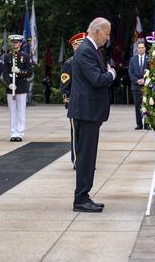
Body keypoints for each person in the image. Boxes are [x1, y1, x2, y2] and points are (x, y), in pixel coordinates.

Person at [68, 17, 116, 212]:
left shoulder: (91, 49)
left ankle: (84, 194)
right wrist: (111, 74)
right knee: (86, 157)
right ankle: (80, 198)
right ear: (96, 31)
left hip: (90, 112)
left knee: (89, 156)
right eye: (107, 33)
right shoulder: (86, 50)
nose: (108, 37)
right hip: (86, 112)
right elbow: (97, 79)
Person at [61, 32, 85, 168]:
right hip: (75, 104)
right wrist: (68, 102)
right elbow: (65, 86)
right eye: (80, 45)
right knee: (76, 134)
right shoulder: (69, 63)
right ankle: (77, 160)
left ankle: (86, 160)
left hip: (87, 103)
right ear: (75, 46)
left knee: (86, 135)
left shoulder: (87, 61)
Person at [3, 34, 33, 142]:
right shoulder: (7, 56)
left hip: (21, 86)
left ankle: (19, 133)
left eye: (16, 42)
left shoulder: (25, 56)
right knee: (12, 111)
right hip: (11, 86)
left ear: (20, 43)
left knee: (21, 111)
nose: (14, 44)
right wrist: (9, 83)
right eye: (13, 42)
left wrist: (19, 72)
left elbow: (29, 72)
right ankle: (13, 132)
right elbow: (5, 73)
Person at [129, 40, 148, 130]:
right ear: (137, 49)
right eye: (139, 48)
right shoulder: (133, 59)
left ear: (145, 48)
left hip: (147, 86)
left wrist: (145, 80)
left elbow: (152, 72)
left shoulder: (149, 59)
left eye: (142, 47)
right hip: (136, 86)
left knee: (147, 105)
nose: (141, 49)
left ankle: (147, 124)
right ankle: (139, 124)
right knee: (137, 106)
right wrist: (137, 81)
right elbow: (130, 72)